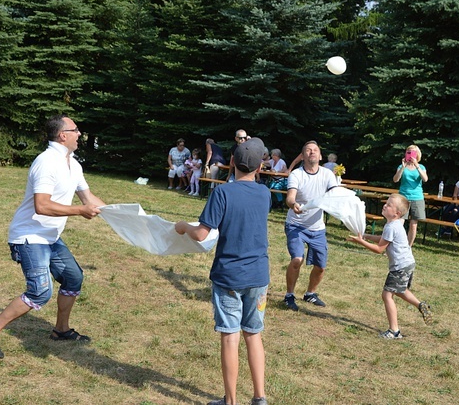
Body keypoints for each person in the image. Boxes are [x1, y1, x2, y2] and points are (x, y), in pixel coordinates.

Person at [0, 115, 106, 359]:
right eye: (75, 130)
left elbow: (89, 199)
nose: (80, 134)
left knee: (72, 278)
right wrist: (80, 211)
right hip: (29, 236)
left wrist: (121, 215)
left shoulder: (73, 164)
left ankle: (61, 330)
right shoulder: (46, 162)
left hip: (50, 237)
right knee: (39, 292)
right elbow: (42, 205)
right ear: (62, 135)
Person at [174, 137, 271, 405]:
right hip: (259, 276)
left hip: (229, 274)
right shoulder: (264, 194)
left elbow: (202, 233)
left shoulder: (222, 193)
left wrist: (183, 226)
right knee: (253, 334)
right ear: (260, 166)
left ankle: (230, 401)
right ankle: (259, 397)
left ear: (230, 163)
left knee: (230, 336)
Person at [347, 194, 433, 339]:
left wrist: (361, 242)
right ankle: (420, 305)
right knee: (400, 290)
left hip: (400, 266)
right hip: (408, 263)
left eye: (389, 205)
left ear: (397, 213)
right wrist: (366, 236)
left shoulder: (391, 226)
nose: (385, 206)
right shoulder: (396, 223)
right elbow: (383, 239)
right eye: (386, 203)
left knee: (387, 295)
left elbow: (379, 249)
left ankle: (394, 331)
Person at [283, 140, 339, 311]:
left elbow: (334, 195)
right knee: (296, 260)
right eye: (308, 150)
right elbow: (290, 197)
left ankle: (310, 294)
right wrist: (294, 205)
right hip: (296, 225)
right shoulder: (297, 174)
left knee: (321, 266)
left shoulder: (328, 175)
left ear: (320, 156)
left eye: (315, 150)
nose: (312, 152)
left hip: (317, 228)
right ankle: (289, 295)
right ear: (303, 156)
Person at [392, 144, 428, 246]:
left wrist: (416, 165)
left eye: (413, 152)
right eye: (408, 152)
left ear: (417, 155)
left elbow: (425, 179)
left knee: (413, 225)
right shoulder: (401, 166)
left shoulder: (421, 167)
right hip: (403, 197)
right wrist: (403, 167)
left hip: (417, 198)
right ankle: (395, 245)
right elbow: (395, 180)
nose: (411, 155)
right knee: (399, 223)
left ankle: (408, 247)